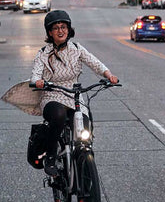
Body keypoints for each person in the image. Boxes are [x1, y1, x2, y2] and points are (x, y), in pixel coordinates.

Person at [31, 10, 119, 176]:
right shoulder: (43, 53)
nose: (60, 31)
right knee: (58, 115)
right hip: (52, 93)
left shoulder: (77, 49)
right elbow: (36, 73)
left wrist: (109, 75)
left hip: (74, 94)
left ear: (69, 29)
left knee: (84, 127)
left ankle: (83, 160)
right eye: (56, 28)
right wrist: (38, 81)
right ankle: (51, 156)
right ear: (50, 32)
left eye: (63, 27)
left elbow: (95, 63)